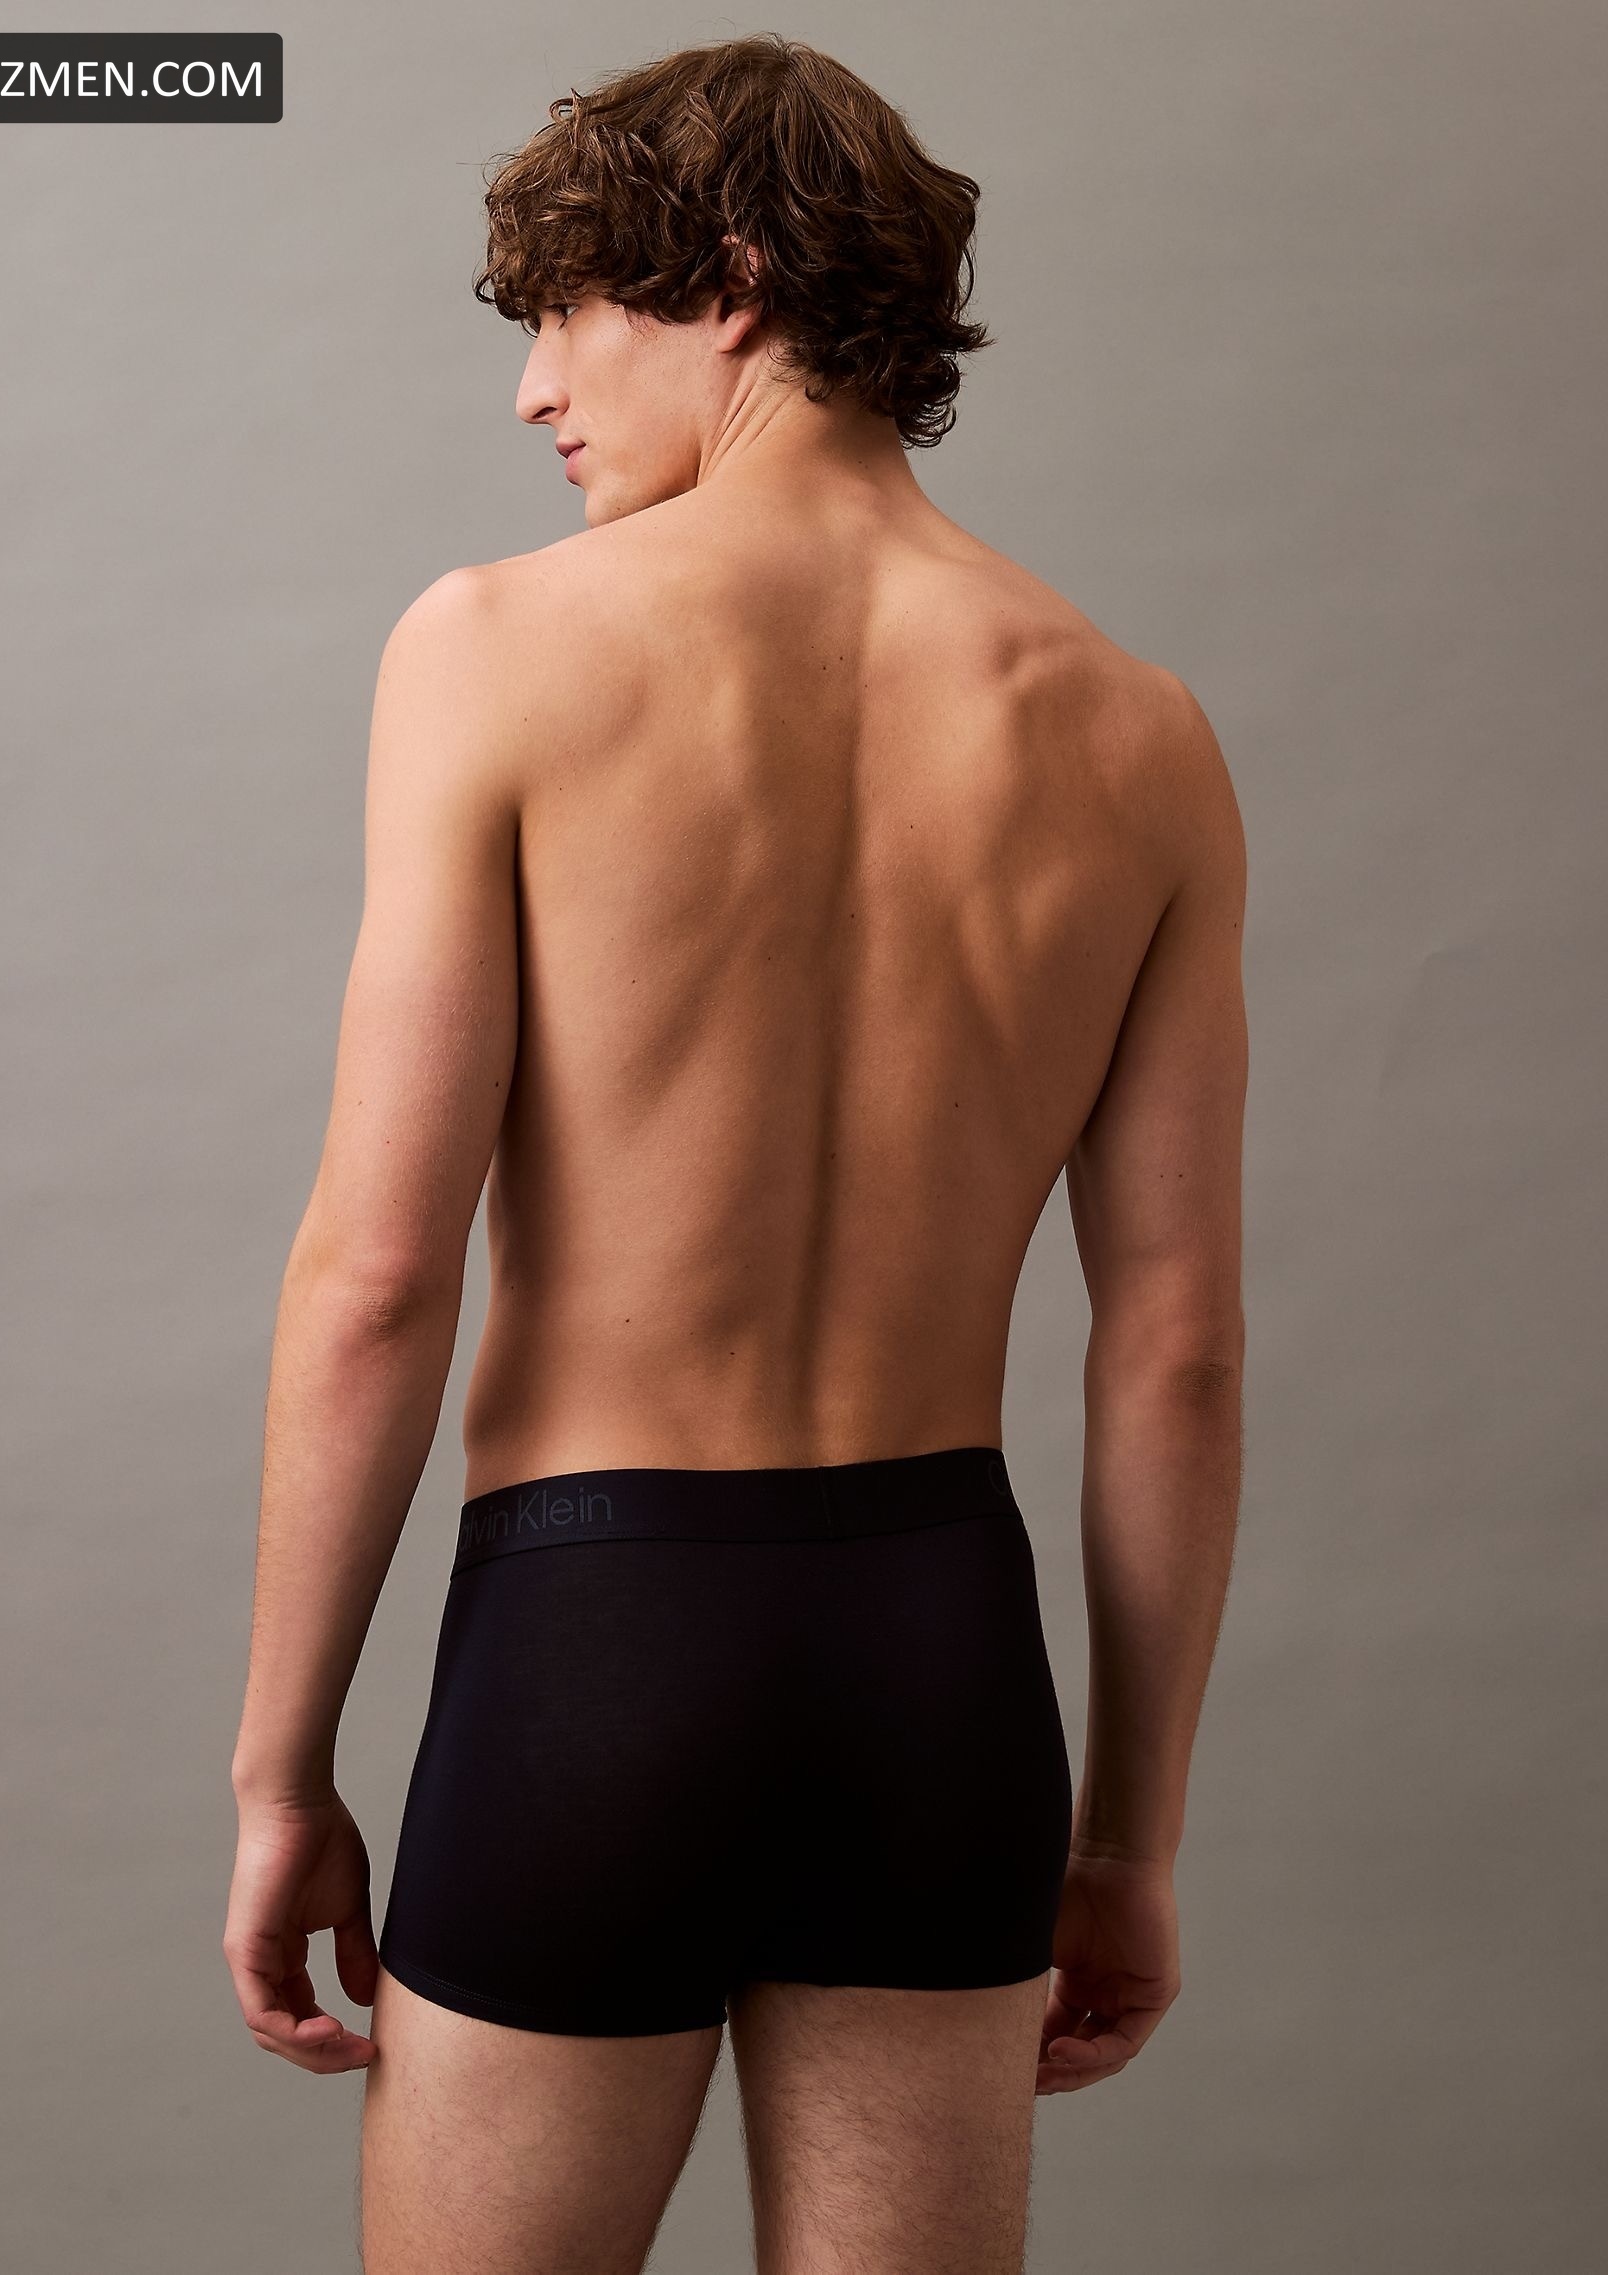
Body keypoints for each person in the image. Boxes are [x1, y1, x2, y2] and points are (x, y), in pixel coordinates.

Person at [224, 32, 1247, 2275]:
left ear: (737, 277)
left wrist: (282, 1774)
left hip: (597, 1637)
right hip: (942, 1659)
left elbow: (378, 1274)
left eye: (569, 311)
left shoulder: (497, 646)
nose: (534, 391)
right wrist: (1129, 1839)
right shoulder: (1141, 733)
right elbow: (1171, 1349)